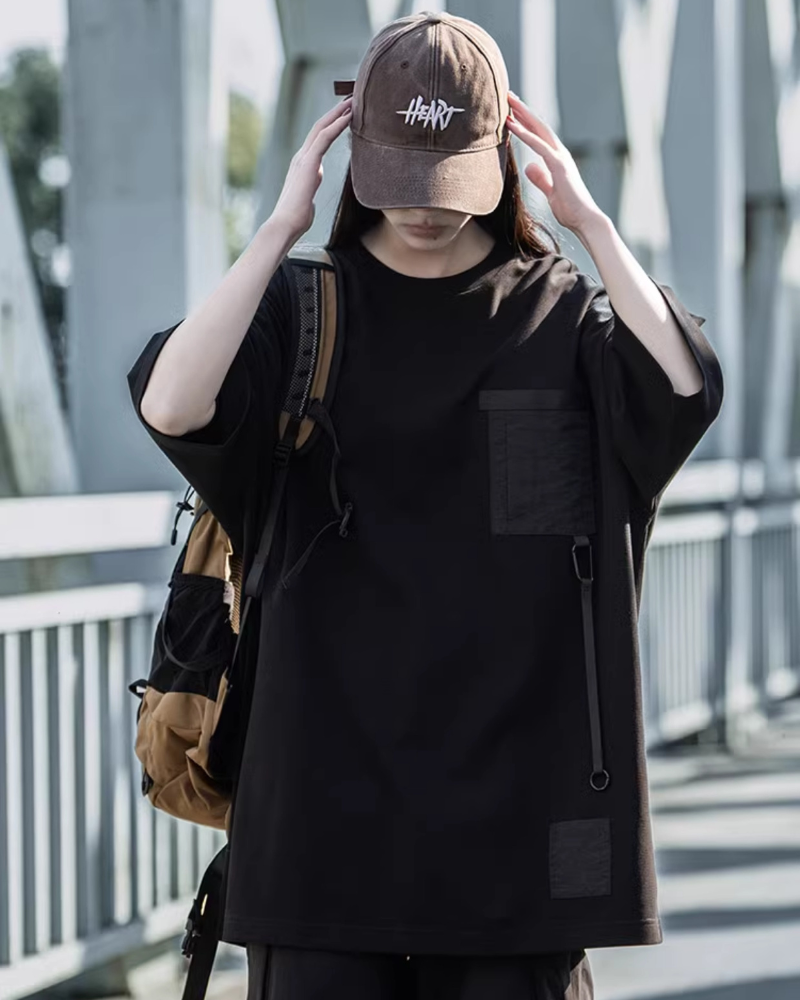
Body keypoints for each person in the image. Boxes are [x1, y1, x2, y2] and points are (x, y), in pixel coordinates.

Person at [126, 11, 724, 1000]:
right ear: (354, 151)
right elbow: (172, 405)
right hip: (317, 826)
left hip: (516, 835)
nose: (422, 208)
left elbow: (683, 388)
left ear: (500, 155)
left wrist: (592, 224)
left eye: (447, 177)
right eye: (399, 174)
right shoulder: (301, 315)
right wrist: (276, 230)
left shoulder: (559, 317)